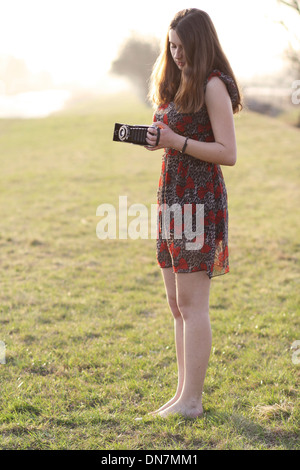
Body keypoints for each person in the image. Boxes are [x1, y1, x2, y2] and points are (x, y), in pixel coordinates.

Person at [145, 8, 242, 418]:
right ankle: (182, 394)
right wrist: (157, 139)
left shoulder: (213, 85)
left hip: (198, 201)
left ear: (199, 45)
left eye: (182, 47)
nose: (176, 54)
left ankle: (193, 401)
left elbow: (228, 153)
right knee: (175, 302)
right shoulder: (176, 80)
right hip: (172, 197)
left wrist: (176, 140)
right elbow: (173, 135)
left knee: (192, 303)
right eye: (171, 46)